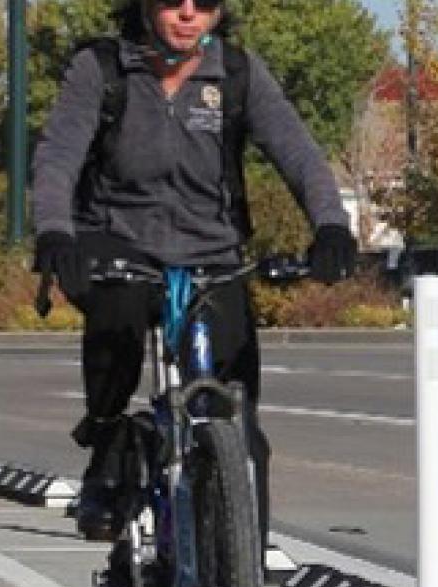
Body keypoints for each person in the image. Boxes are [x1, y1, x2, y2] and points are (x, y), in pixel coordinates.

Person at [31, 0, 356, 549]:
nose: (188, 14)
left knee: (239, 416)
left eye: (203, 4)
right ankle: (108, 441)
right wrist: (55, 232)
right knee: (120, 313)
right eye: (172, 2)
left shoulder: (236, 73)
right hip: (119, 241)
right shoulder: (103, 69)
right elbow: (58, 157)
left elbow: (298, 153)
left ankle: (239, 555)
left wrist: (331, 224)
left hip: (213, 250)